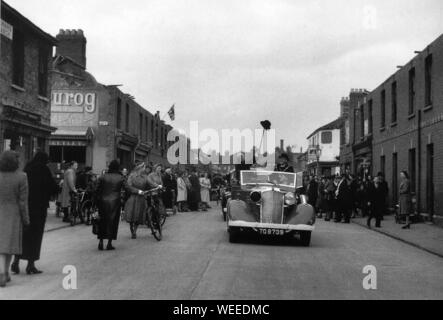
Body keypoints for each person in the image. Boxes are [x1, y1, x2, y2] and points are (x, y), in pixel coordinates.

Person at [11, 151, 58, 275]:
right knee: (35, 236)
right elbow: (52, 187)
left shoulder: (27, 168)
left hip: (26, 207)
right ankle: (30, 265)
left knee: (23, 235)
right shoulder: (44, 170)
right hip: (39, 208)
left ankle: (15, 261)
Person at [0, 151, 30, 287]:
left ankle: (2, 273)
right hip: (13, 214)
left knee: (0, 246)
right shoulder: (22, 177)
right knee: (9, 246)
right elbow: (23, 202)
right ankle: (5, 273)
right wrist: (26, 219)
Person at [96, 160, 125, 250]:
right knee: (113, 222)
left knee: (102, 221)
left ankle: (100, 241)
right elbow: (126, 188)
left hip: (103, 201)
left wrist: (97, 200)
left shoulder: (103, 176)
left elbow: (97, 189)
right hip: (115, 201)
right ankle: (109, 243)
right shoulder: (121, 177)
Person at [124, 164, 150, 239]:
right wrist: (137, 191)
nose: (144, 169)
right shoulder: (132, 176)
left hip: (141, 198)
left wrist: (157, 186)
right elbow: (129, 186)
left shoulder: (145, 176)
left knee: (139, 215)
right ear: (140, 168)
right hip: (133, 197)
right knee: (132, 214)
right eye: (144, 167)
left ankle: (135, 231)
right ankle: (132, 228)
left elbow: (149, 183)